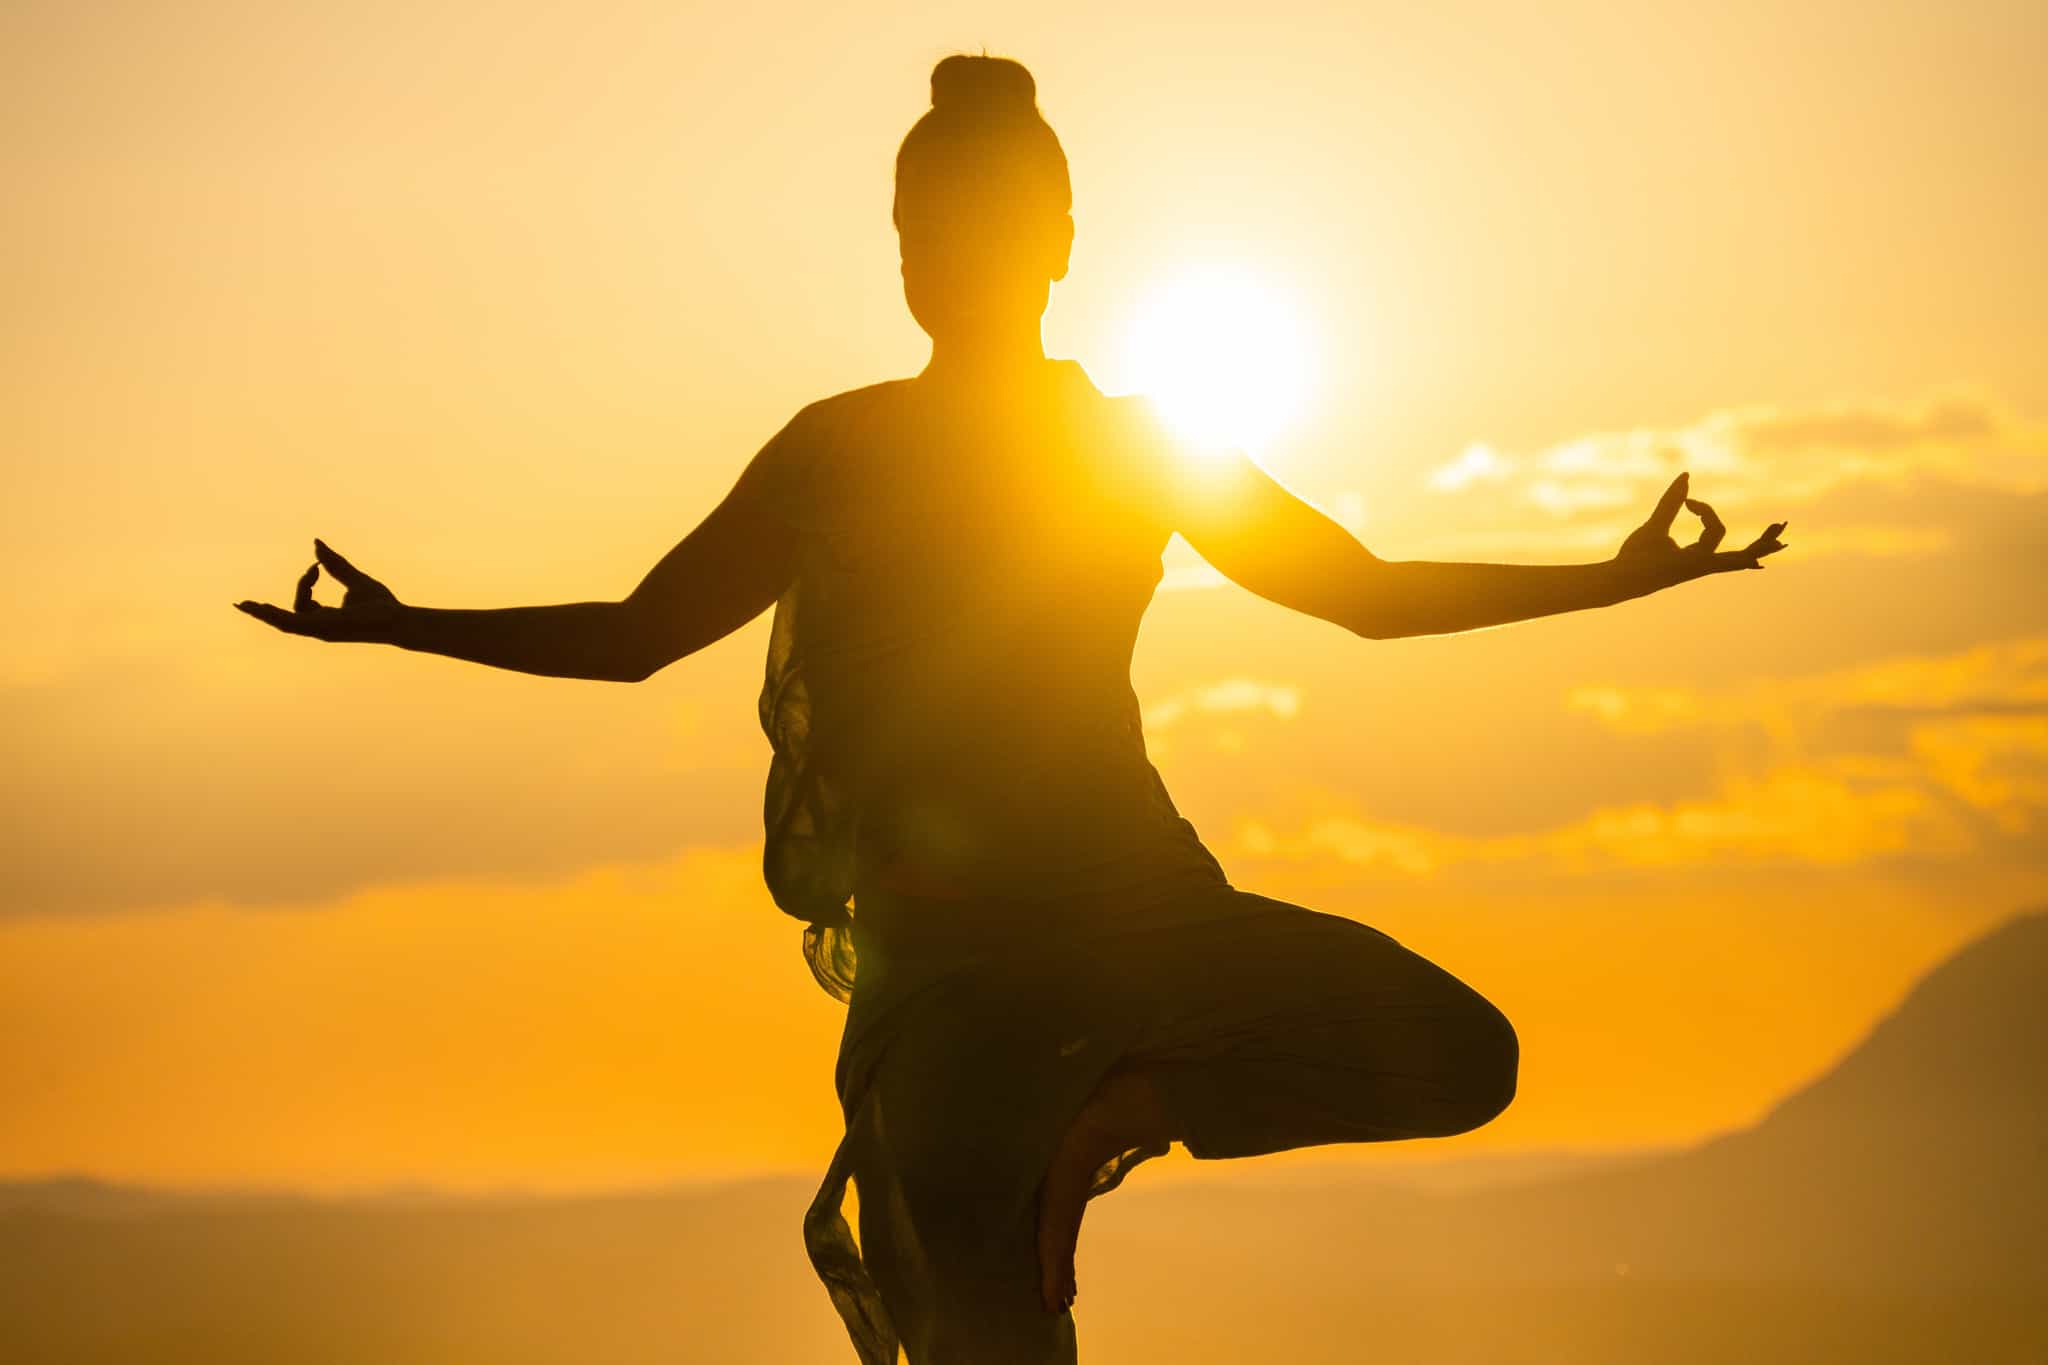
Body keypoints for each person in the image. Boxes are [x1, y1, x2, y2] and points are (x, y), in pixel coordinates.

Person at [235, 52, 1788, 1365]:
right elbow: (645, 635)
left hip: (1088, 940)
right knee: (1408, 1085)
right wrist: (403, 622)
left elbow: (1361, 589)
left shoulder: (1015, 447)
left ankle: (1113, 1110)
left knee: (1458, 1055)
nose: (934, 250)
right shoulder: (916, 451)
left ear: (1053, 243)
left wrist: (1614, 579)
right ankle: (1115, 1108)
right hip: (1010, 961)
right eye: (916, 223)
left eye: (963, 221)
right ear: (910, 247)